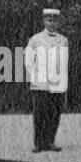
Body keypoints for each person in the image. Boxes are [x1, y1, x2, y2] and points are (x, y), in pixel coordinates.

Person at [24, 8, 69, 153]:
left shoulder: (63, 40)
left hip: (56, 83)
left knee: (54, 112)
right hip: (40, 83)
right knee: (40, 113)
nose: (52, 23)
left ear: (58, 22)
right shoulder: (35, 39)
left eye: (55, 21)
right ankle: (38, 143)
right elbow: (28, 60)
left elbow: (64, 62)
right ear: (44, 21)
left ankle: (50, 141)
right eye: (49, 20)